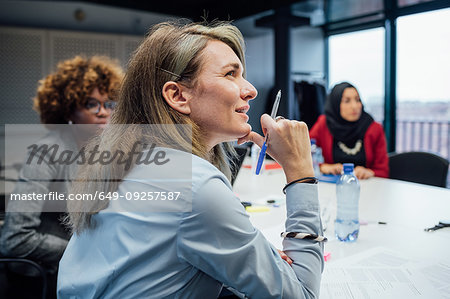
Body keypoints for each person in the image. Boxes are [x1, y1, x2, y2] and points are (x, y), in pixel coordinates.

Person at [58, 21, 324, 298]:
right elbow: (301, 293)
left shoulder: (130, 161)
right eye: (230, 74)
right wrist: (300, 170)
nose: (251, 89)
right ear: (178, 96)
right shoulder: (194, 186)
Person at [0, 55, 123, 298]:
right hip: (40, 282)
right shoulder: (46, 151)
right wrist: (85, 251)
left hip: (81, 274)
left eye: (109, 104)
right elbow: (15, 238)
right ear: (68, 109)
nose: (103, 113)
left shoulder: (103, 152)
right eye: (91, 104)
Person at [310, 82, 389, 179]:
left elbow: (383, 171)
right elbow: (303, 154)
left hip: (368, 187)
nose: (355, 106)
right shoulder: (324, 124)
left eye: (357, 100)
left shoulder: (374, 128)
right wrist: (321, 167)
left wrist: (369, 172)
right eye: (347, 101)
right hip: (332, 187)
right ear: (336, 103)